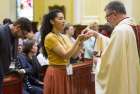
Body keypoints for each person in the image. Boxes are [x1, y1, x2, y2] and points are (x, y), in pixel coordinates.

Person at [87, 1, 140, 94]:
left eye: (107, 16)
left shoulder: (120, 30)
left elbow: (113, 61)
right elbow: (117, 45)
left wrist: (99, 62)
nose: (107, 20)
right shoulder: (131, 26)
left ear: (114, 14)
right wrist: (98, 35)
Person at [40, 9, 92, 94]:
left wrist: (81, 42)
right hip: (56, 73)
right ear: (52, 21)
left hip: (65, 71)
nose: (63, 21)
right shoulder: (50, 37)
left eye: (63, 18)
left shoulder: (64, 36)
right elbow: (65, 55)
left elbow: (74, 56)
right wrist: (77, 40)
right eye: (60, 19)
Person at [0, 17, 32, 94]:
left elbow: (13, 57)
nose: (22, 37)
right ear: (17, 27)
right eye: (23, 34)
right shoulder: (1, 32)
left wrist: (12, 69)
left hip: (4, 77)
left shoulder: (15, 36)